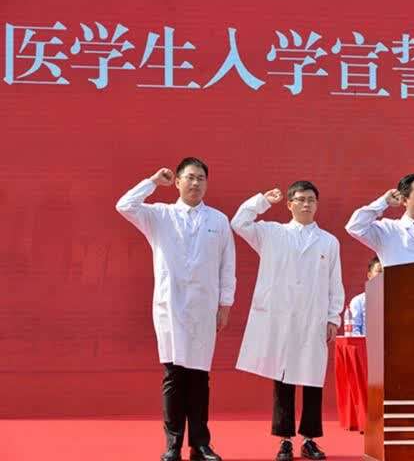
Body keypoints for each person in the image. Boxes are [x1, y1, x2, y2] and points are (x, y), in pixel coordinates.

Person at [116, 158, 236, 461]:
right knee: (174, 375)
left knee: (199, 377)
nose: (195, 183)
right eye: (190, 177)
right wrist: (153, 181)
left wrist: (225, 304)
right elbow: (125, 205)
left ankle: (200, 444)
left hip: (204, 307)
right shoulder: (160, 215)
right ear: (178, 182)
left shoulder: (218, 220)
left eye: (201, 178)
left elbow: (227, 266)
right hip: (169, 305)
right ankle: (173, 445)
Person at [231, 181, 344, 461]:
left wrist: (333, 317)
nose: (306, 204)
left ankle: (309, 439)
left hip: (313, 318)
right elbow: (239, 222)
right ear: (289, 204)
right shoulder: (272, 233)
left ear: (317, 204)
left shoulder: (329, 241)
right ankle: (284, 440)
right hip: (280, 317)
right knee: (282, 377)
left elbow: (335, 282)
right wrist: (262, 200)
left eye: (311, 200)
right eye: (301, 199)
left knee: (312, 379)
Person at [347, 256, 383, 335]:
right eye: (379, 271)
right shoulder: (358, 302)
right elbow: (354, 332)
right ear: (369, 275)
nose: (383, 275)